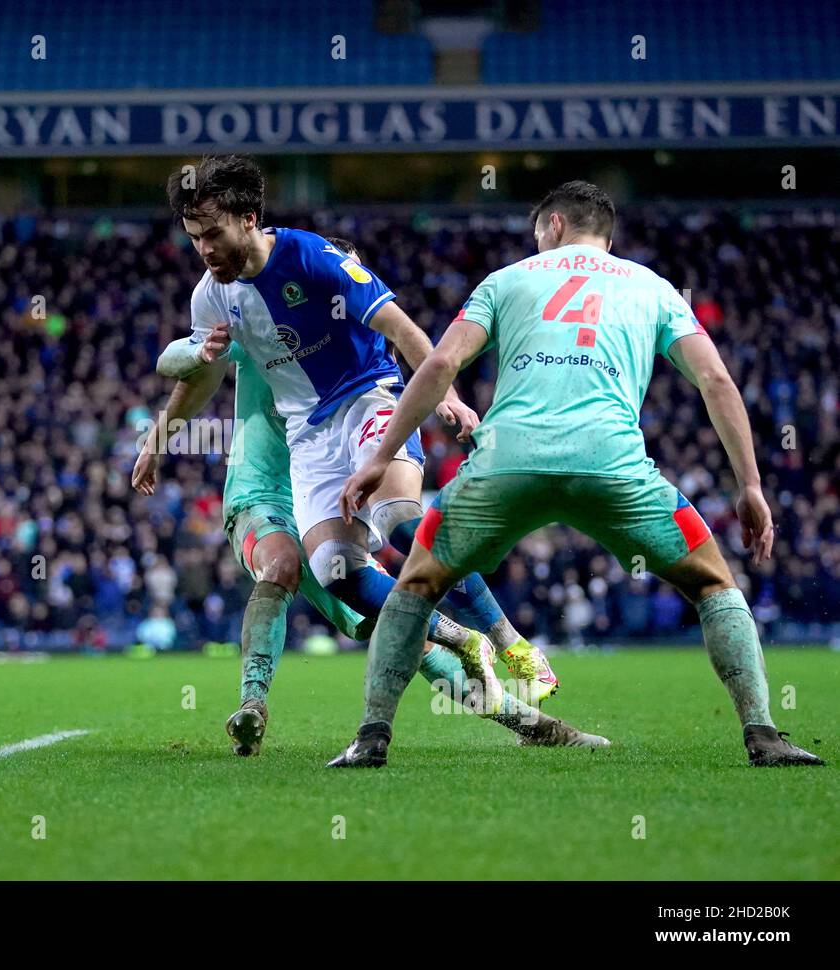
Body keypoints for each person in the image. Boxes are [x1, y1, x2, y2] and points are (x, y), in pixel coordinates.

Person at [330, 181, 822, 768]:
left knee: (416, 585)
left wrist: (381, 457)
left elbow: (439, 362)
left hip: (505, 465)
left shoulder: (507, 279)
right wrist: (750, 486)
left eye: (539, 232)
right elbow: (716, 382)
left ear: (555, 225)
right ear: (607, 237)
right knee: (713, 584)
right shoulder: (654, 288)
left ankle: (371, 739)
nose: (536, 243)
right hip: (611, 465)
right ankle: (763, 736)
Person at [135, 207, 600, 754]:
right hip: (266, 489)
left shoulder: (338, 316)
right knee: (294, 566)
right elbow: (189, 367)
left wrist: (446, 399)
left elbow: (398, 330)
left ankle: (524, 711)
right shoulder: (244, 309)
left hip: (345, 464)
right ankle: (252, 703)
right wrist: (158, 436)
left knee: (397, 600)